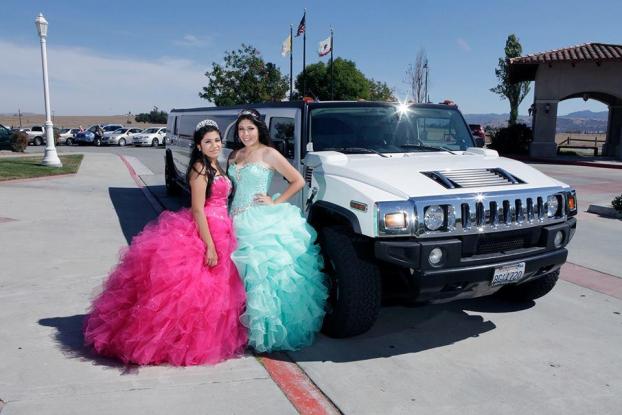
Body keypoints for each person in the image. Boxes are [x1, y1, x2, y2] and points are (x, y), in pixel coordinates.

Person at [83, 120, 247, 366]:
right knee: (191, 291)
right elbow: (198, 210)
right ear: (199, 147)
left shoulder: (217, 166)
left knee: (214, 292)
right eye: (208, 142)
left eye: (216, 140)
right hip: (208, 230)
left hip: (224, 229)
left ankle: (202, 336)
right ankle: (177, 342)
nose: (214, 145)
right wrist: (210, 245)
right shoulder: (200, 169)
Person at [227, 108, 327, 353]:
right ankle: (235, 329)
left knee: (262, 278)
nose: (246, 133)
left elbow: (298, 180)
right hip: (233, 218)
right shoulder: (235, 154)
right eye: (241, 129)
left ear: (259, 129)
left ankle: (264, 332)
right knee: (236, 276)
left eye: (250, 128)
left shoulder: (269, 153)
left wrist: (276, 201)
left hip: (259, 219)